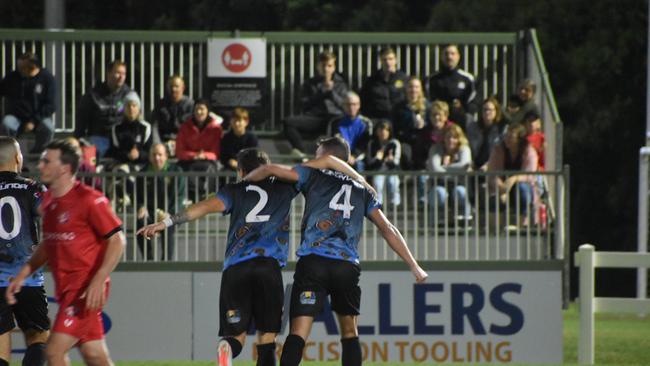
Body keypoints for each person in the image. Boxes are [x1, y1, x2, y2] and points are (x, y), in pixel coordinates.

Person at [137, 147, 365, 366]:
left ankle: (227, 349)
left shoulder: (234, 190)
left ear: (242, 171)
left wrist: (165, 222)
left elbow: (204, 207)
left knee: (235, 336)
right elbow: (328, 163)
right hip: (269, 267)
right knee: (268, 338)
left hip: (236, 269)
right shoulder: (286, 188)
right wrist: (360, 179)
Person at [244, 136, 428, 366]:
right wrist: (414, 266)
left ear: (326, 156)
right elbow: (387, 228)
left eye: (317, 153)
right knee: (350, 333)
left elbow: (271, 169)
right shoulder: (363, 189)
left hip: (314, 262)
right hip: (346, 265)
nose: (313, 157)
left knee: (298, 333)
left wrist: (245, 185)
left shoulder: (313, 174)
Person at [6, 139, 126, 366]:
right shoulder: (50, 203)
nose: (40, 165)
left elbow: (117, 240)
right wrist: (23, 275)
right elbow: (48, 246)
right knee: (94, 354)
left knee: (53, 351)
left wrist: (99, 279)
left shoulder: (90, 200)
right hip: (68, 289)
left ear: (65, 168)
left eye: (47, 161)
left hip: (84, 290)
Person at [0, 137, 49, 366]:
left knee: (0, 347)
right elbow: (54, 219)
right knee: (38, 338)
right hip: (26, 277)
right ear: (18, 158)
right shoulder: (32, 187)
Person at [283, 51, 349, 159]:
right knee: (288, 122)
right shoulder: (310, 83)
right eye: (323, 65)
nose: (326, 69)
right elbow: (304, 105)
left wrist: (332, 92)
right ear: (318, 66)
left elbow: (345, 106)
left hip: (335, 118)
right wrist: (322, 93)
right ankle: (302, 153)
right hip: (316, 118)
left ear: (334, 67)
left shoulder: (340, 84)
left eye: (329, 65)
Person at [136, 143, 186, 261]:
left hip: (170, 213)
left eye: (160, 154)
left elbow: (180, 196)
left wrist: (170, 214)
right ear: (149, 157)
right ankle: (148, 260)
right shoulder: (143, 173)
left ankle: (166, 262)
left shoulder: (176, 171)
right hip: (151, 213)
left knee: (167, 224)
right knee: (140, 224)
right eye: (154, 155)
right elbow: (137, 196)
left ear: (166, 156)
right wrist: (141, 206)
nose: (157, 158)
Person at [75, 60, 133, 158]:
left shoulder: (129, 95)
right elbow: (81, 120)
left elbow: (136, 120)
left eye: (124, 73)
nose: (121, 77)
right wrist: (78, 141)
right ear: (109, 73)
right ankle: (88, 173)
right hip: (98, 138)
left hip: (120, 140)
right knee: (87, 156)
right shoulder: (93, 95)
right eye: (118, 73)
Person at [0, 52, 56, 153]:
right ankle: (8, 152)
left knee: (48, 128)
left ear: (32, 67)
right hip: (16, 116)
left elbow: (51, 105)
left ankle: (40, 153)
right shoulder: (13, 77)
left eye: (22, 67)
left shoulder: (47, 78)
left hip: (39, 117)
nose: (19, 70)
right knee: (7, 124)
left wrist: (34, 121)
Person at [487, 124, 539, 228]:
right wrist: (501, 188)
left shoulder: (529, 151)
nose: (507, 139)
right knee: (493, 198)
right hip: (501, 187)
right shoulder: (498, 150)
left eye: (511, 137)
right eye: (506, 136)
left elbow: (529, 175)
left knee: (522, 189)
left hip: (521, 187)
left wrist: (514, 179)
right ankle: (496, 230)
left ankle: (521, 225)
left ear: (519, 139)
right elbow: (492, 173)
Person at [176, 98, 223, 199]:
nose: (199, 112)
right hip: (188, 160)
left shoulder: (216, 128)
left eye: (202, 109)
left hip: (208, 161)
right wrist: (194, 155)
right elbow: (179, 151)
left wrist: (204, 155)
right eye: (196, 109)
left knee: (210, 170)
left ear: (208, 111)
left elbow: (216, 151)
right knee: (179, 169)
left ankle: (208, 197)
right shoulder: (185, 127)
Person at [427, 124, 473, 223]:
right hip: (438, 185)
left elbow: (464, 166)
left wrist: (444, 167)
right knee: (440, 193)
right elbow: (435, 169)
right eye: (448, 137)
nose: (451, 140)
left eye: (455, 137)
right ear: (443, 138)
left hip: (459, 184)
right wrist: (455, 171)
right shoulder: (436, 149)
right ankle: (437, 222)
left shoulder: (464, 149)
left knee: (460, 192)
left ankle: (465, 220)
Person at [427, 44, 478, 130]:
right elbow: (428, 103)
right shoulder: (432, 80)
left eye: (452, 53)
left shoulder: (468, 79)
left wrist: (462, 109)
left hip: (461, 127)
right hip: (437, 127)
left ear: (458, 56)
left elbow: (474, 103)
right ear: (441, 56)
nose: (449, 57)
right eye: (446, 54)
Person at [325, 92, 372, 170]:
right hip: (339, 158)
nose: (351, 107)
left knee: (359, 165)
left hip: (358, 159)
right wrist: (345, 156)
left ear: (359, 105)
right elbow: (330, 144)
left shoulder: (366, 123)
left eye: (354, 104)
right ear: (343, 106)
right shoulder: (334, 123)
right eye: (348, 104)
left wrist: (354, 157)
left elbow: (366, 145)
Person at [360, 47, 409, 122]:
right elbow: (363, 100)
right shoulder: (372, 80)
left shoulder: (404, 79)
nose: (388, 62)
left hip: (399, 120)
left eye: (390, 59)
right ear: (380, 61)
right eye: (384, 59)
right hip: (378, 121)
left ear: (396, 60)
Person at [150, 75, 194, 155]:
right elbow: (154, 126)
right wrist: (158, 145)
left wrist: (179, 142)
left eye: (176, 86)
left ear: (183, 88)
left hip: (185, 144)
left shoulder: (190, 105)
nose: (173, 89)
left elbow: (193, 129)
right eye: (171, 86)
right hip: (163, 143)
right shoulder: (160, 104)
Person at [466, 96, 507, 171]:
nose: (487, 112)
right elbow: (468, 147)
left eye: (490, 110)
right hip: (475, 164)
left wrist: (489, 164)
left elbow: (502, 152)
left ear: (496, 111)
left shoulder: (502, 129)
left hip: (494, 165)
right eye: (485, 110)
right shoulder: (473, 127)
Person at [365, 121, 401, 206]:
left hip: (392, 170)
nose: (383, 132)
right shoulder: (372, 144)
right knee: (378, 183)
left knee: (393, 182)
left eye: (386, 130)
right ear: (377, 131)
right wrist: (377, 159)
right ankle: (379, 205)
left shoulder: (394, 143)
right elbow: (370, 162)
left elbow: (396, 163)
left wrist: (390, 161)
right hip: (378, 170)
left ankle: (395, 204)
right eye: (380, 130)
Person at [220, 107, 259, 172]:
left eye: (239, 121)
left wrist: (240, 164)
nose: (237, 124)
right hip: (229, 169)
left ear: (246, 122)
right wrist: (229, 161)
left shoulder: (252, 138)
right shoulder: (226, 138)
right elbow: (223, 157)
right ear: (230, 121)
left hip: (248, 170)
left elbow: (254, 157)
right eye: (234, 120)